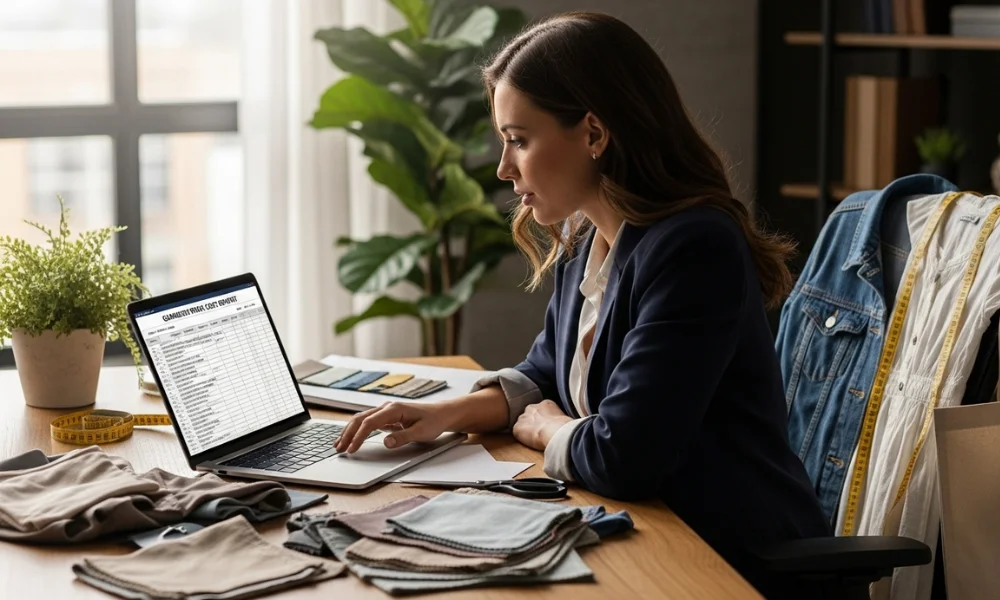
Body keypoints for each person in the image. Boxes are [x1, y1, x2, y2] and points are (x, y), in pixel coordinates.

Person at [334, 10, 830, 598]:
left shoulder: (695, 248)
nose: (504, 167)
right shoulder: (585, 237)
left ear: (594, 133)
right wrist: (448, 414)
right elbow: (547, 372)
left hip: (729, 559)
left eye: (519, 140)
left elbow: (626, 457)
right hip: (646, 532)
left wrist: (549, 428)